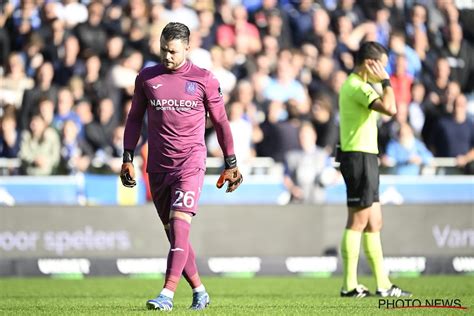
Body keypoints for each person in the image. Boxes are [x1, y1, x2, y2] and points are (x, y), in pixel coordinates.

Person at [120, 22, 243, 311]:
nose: (167, 56)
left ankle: (167, 294)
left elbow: (222, 122)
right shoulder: (147, 78)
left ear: (187, 48)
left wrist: (231, 162)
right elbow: (135, 118)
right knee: (176, 237)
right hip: (158, 166)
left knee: (179, 226)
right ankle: (200, 290)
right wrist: (127, 156)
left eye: (173, 51)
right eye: (163, 49)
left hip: (190, 164)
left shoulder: (204, 79)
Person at [338, 41, 411, 298]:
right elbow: (391, 109)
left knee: (374, 222)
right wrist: (387, 81)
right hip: (357, 157)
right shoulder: (356, 86)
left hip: (367, 156)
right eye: (382, 64)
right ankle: (349, 285)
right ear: (371, 63)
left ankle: (383, 284)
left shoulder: (362, 85)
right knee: (358, 221)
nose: (384, 69)